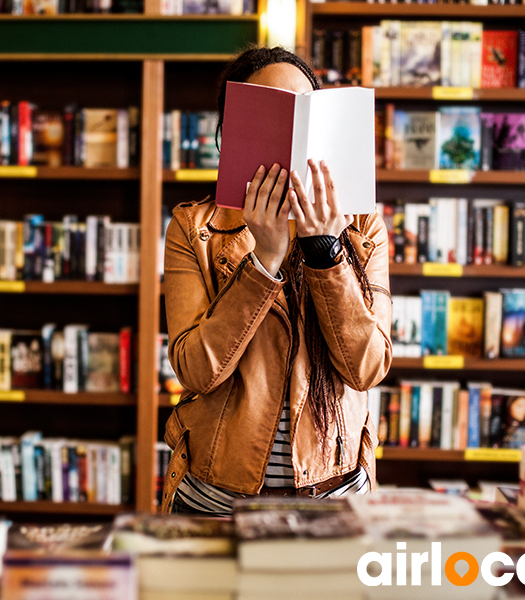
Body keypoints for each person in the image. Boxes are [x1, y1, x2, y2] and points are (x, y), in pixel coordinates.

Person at [161, 45, 392, 516]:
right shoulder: (195, 228)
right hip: (216, 504)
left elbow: (367, 368)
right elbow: (196, 371)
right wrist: (262, 261)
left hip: (334, 499)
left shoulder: (362, 228)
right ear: (234, 134)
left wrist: (325, 250)